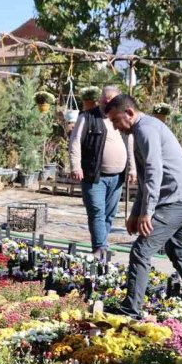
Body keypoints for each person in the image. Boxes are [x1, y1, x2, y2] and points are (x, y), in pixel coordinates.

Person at [104, 94, 182, 319]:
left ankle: (131, 310)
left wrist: (147, 213)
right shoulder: (145, 127)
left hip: (178, 200)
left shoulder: (144, 129)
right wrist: (134, 214)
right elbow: (143, 179)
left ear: (129, 113)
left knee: (141, 250)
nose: (116, 128)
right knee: (176, 249)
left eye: (116, 121)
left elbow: (153, 172)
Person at [68, 85, 137, 261]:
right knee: (97, 212)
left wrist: (132, 168)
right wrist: (76, 166)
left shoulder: (121, 118)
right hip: (94, 175)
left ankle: (101, 247)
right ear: (99, 99)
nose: (106, 105)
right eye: (104, 101)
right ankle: (100, 248)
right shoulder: (88, 117)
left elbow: (130, 144)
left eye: (110, 101)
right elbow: (75, 141)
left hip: (117, 177)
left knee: (109, 214)